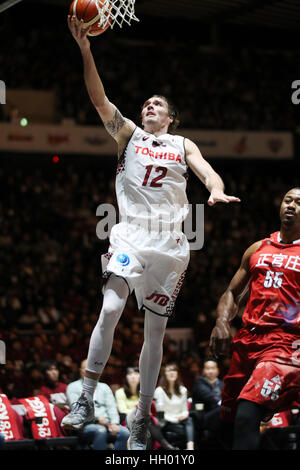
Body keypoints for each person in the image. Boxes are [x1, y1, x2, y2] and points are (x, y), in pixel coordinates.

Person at [62, 15, 240, 450]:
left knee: (154, 334)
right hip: (129, 236)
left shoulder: (183, 144)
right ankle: (85, 396)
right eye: (146, 103)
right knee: (109, 309)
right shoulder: (127, 134)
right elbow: (99, 98)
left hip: (172, 245)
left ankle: (142, 415)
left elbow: (208, 173)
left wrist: (215, 191)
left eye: (157, 104)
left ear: (172, 118)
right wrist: (86, 49)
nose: (149, 106)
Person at [209, 187, 300, 450]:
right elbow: (231, 292)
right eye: (287, 200)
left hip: (286, 343)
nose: (291, 205)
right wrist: (222, 322)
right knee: (228, 421)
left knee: (248, 410)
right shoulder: (258, 248)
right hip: (248, 341)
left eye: (298, 202)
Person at [65, 359, 129, 450]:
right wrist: (97, 418)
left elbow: (112, 408)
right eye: (87, 369)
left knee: (125, 432)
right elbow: (78, 409)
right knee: (100, 430)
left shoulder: (104, 387)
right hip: (85, 424)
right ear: (81, 371)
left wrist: (115, 423)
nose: (91, 371)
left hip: (108, 424)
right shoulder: (73, 387)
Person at [115, 366, 177, 450]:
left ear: (140, 376)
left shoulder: (144, 393)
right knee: (142, 415)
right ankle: (166, 445)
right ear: (126, 377)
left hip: (145, 421)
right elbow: (123, 410)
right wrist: (139, 411)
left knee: (146, 428)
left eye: (136, 373)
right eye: (130, 374)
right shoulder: (119, 392)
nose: (133, 376)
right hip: (128, 421)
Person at [154, 363, 195, 450]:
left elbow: (185, 410)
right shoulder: (159, 391)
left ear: (177, 374)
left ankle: (190, 448)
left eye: (174, 370)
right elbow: (160, 413)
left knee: (189, 420)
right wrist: (176, 419)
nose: (172, 373)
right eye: (169, 371)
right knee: (188, 431)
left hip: (180, 420)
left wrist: (184, 415)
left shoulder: (183, 390)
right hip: (166, 421)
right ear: (164, 374)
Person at [191, 357, 223, 435]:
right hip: (203, 416)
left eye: (213, 368)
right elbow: (209, 396)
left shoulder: (222, 384)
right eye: (208, 368)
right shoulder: (199, 383)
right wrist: (222, 403)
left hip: (218, 415)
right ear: (203, 370)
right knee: (222, 410)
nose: (210, 371)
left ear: (218, 370)